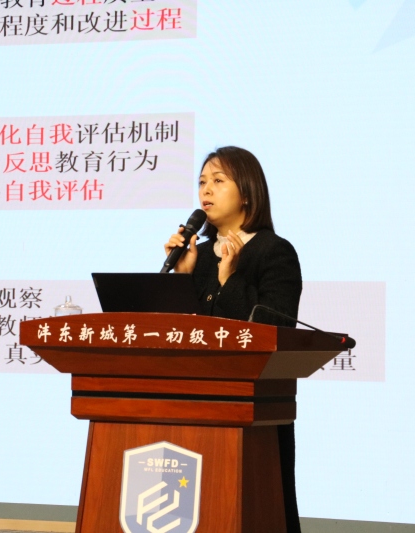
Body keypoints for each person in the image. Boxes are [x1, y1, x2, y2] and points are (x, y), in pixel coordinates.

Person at [164, 146, 303, 533]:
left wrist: (230, 279)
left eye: (218, 180)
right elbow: (180, 335)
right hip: (191, 403)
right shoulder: (195, 255)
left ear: (246, 193)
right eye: (201, 182)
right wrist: (183, 278)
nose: (205, 190)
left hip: (252, 412)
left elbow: (273, 331)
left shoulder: (274, 252)